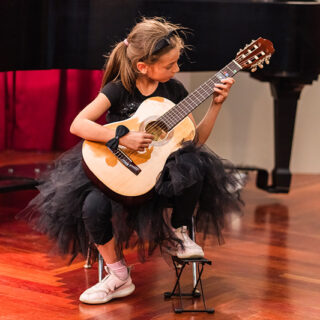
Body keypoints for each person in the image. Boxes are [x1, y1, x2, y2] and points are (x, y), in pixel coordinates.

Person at [20, 17, 242, 305]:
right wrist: (121, 139)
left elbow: (194, 141)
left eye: (177, 63)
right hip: (119, 172)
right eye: (170, 65)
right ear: (143, 66)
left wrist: (215, 106)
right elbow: (78, 124)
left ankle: (180, 234)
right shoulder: (119, 88)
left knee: (194, 165)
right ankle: (118, 275)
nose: (177, 69)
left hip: (161, 179)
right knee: (92, 207)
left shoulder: (174, 92)